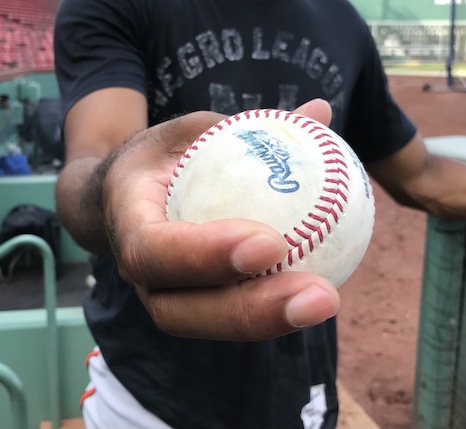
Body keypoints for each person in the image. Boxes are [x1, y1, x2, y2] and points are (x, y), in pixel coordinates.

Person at [53, 1, 466, 428]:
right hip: (149, 394)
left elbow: (420, 173)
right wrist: (114, 188)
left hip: (301, 387)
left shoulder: (341, 18)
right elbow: (90, 161)